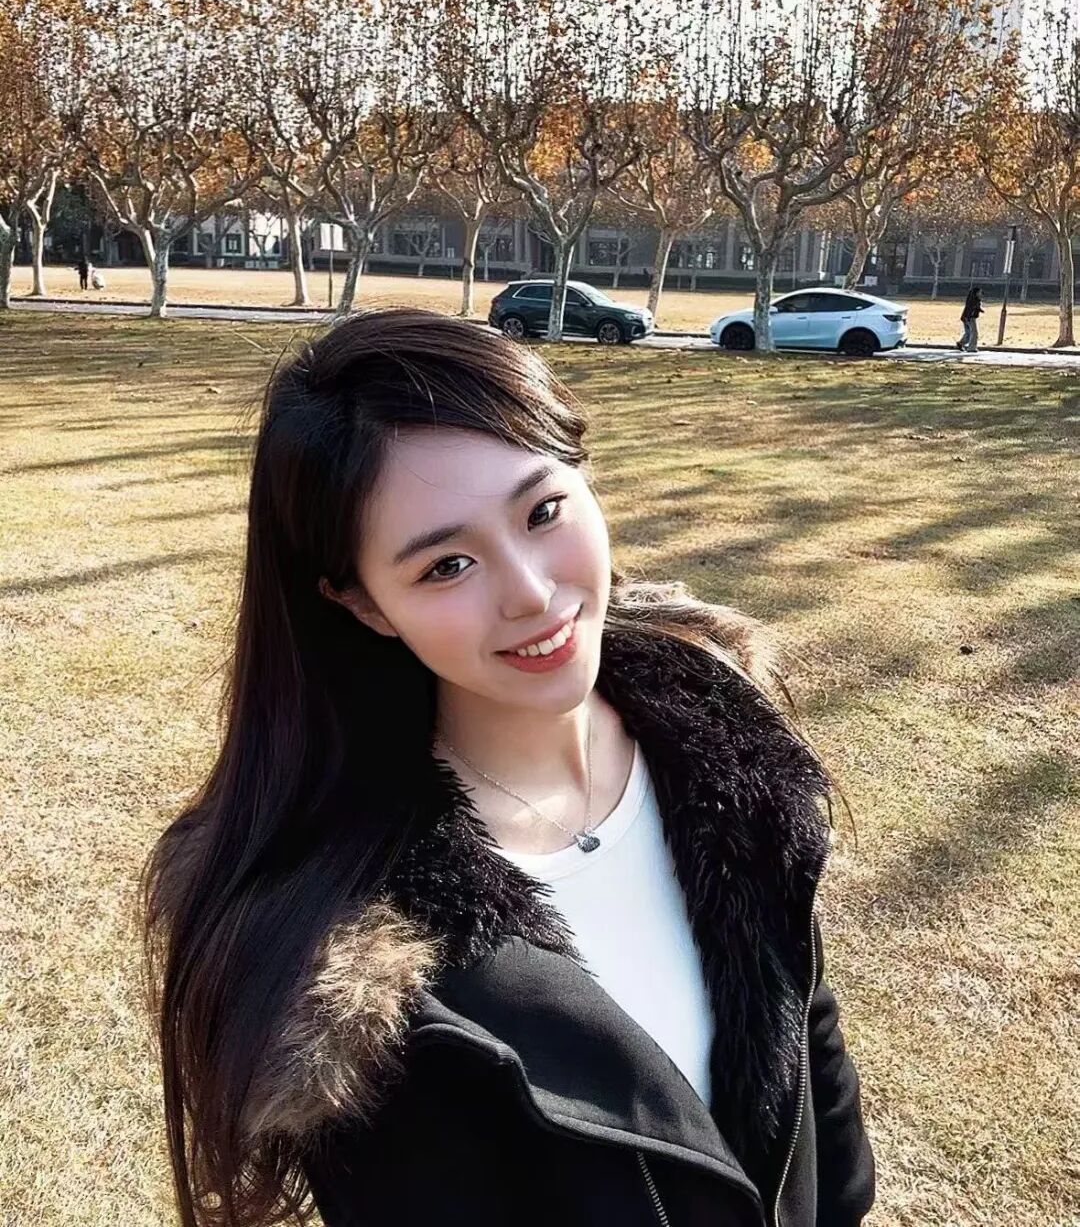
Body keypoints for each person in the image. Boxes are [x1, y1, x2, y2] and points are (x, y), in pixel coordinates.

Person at [143, 309, 875, 1227]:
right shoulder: (353, 972)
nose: (531, 593)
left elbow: (809, 1054)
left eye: (542, 511)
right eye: (447, 564)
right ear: (364, 604)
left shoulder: (719, 735)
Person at [957, 284, 982, 350]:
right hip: (970, 318)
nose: (981, 294)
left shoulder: (972, 299)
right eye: (980, 292)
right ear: (976, 293)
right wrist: (969, 318)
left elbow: (973, 308)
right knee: (974, 333)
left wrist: (980, 310)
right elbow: (971, 309)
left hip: (965, 317)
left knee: (968, 333)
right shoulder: (973, 300)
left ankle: (961, 343)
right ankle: (972, 347)